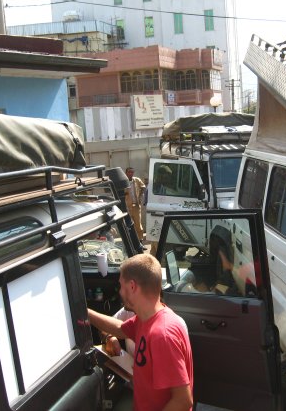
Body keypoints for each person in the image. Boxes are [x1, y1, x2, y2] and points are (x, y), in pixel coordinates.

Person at [88, 254, 193, 411]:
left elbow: (182, 401)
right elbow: (118, 328)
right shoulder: (145, 319)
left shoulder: (162, 335)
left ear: (132, 287)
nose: (120, 292)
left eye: (121, 286)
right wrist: (85, 313)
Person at [124, 167, 146, 242]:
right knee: (128, 225)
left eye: (132, 172)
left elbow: (143, 187)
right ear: (126, 173)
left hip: (136, 206)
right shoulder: (123, 181)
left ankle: (140, 241)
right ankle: (130, 242)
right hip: (127, 207)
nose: (130, 173)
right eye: (129, 172)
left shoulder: (136, 180)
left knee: (138, 225)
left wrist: (140, 196)